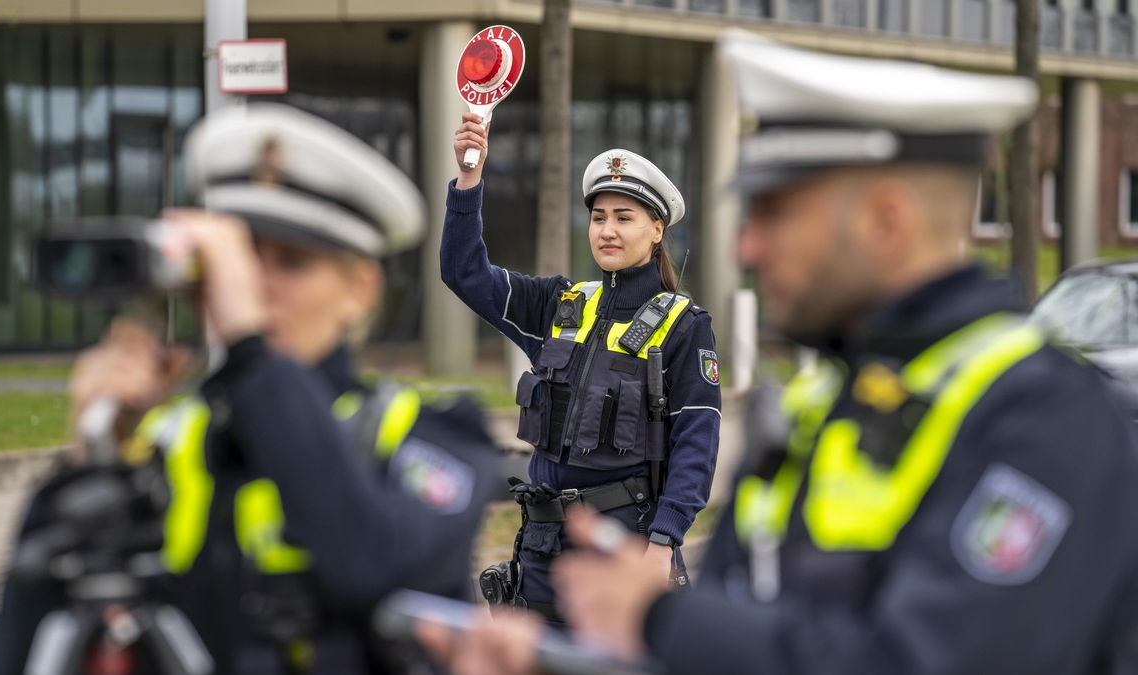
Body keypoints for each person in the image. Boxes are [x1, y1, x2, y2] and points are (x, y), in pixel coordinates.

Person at [420, 35, 1138, 675]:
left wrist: (660, 610)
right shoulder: (816, 404)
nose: (745, 247)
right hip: (545, 556)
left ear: (885, 219)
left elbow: (920, 654)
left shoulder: (1048, 422)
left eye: (775, 212)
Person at [0, 103, 502, 675]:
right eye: (242, 259)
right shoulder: (167, 441)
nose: (256, 286)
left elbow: (371, 565)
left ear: (361, 288)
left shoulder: (435, 431)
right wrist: (87, 459)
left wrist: (251, 351)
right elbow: (16, 656)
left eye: (293, 262)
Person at [443, 113, 722, 621]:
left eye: (625, 217)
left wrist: (664, 542)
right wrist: (468, 179)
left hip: (623, 545)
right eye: (598, 217)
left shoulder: (684, 325)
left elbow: (697, 441)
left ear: (657, 229)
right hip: (541, 547)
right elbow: (463, 272)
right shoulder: (559, 303)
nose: (608, 230)